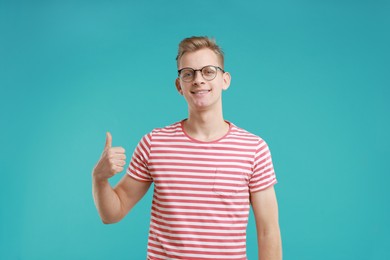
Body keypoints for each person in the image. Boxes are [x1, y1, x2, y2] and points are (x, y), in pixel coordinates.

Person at [92, 36, 282, 260]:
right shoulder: (154, 143)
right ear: (179, 85)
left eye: (208, 71)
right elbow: (113, 213)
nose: (198, 80)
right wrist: (99, 178)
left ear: (225, 80)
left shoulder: (254, 148)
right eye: (188, 73)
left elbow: (268, 231)